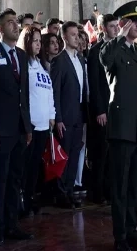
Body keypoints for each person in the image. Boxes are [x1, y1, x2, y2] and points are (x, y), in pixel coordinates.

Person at [99, 1, 137, 251]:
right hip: (121, 130)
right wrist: (119, 37)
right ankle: (120, 236)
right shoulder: (115, 50)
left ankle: (132, 231)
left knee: (133, 187)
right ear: (123, 23)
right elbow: (104, 59)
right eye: (135, 22)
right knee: (120, 187)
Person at [0, 9, 33, 245]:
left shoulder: (21, 55)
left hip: (20, 128)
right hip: (1, 130)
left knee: (15, 180)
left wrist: (28, 126)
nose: (15, 26)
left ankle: (12, 224)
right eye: (10, 23)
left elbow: (25, 94)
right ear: (0, 29)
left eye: (16, 22)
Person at [50, 21, 87, 209]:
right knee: (64, 155)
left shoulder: (80, 59)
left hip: (79, 114)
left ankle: (70, 190)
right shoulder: (59, 60)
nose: (76, 38)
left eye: (78, 34)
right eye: (72, 34)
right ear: (64, 37)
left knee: (74, 154)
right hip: (65, 116)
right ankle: (61, 193)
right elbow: (55, 92)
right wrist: (58, 118)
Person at [19, 27, 55, 216]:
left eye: (39, 41)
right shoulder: (23, 64)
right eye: (34, 41)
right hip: (30, 124)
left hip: (43, 124)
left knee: (34, 166)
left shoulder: (41, 65)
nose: (38, 44)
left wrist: (52, 115)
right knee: (24, 166)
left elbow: (49, 92)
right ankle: (21, 200)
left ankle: (30, 196)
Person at [87, 13, 119, 204]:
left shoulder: (120, 48)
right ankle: (97, 192)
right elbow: (94, 83)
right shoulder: (96, 51)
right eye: (112, 26)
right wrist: (99, 110)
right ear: (103, 28)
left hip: (116, 109)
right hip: (103, 109)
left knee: (113, 153)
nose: (116, 29)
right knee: (101, 153)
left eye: (117, 25)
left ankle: (110, 190)